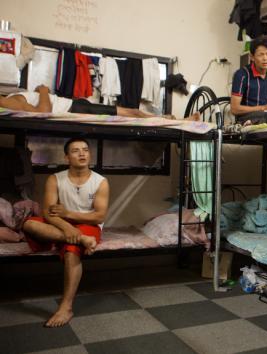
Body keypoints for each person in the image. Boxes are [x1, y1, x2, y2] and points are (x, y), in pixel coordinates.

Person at [22, 138, 109, 327]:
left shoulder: (100, 182)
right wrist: (68, 227)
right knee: (29, 224)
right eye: (76, 151)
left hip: (87, 223)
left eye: (85, 150)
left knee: (71, 250)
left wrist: (69, 214)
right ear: (66, 157)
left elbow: (99, 216)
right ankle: (83, 240)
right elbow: (48, 213)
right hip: (61, 224)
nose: (82, 154)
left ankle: (66, 307)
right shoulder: (55, 178)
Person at [0, 85, 199, 120]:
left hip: (73, 104)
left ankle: (165, 118)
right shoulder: (8, 103)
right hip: (73, 108)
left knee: (133, 113)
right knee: (133, 113)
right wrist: (43, 90)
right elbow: (41, 112)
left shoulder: (8, 100)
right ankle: (182, 121)